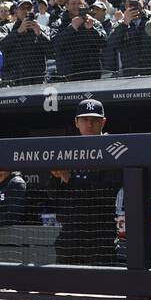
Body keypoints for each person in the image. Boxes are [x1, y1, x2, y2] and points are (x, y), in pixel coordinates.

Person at [40, 99, 122, 266]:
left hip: (99, 235)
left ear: (103, 122)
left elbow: (104, 193)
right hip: (70, 233)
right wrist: (57, 178)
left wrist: (70, 179)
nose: (89, 124)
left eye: (94, 120)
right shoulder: (69, 149)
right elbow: (52, 194)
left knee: (101, 289)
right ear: (76, 122)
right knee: (64, 286)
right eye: (85, 120)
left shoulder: (114, 148)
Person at [102, 0, 151, 76]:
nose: (133, 2)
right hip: (130, 73)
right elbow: (112, 44)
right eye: (129, 1)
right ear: (125, 4)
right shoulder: (120, 22)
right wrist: (125, 23)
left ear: (143, 1)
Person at [0, 0, 52, 84]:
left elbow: (51, 52)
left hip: (36, 79)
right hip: (13, 79)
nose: (26, 11)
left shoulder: (43, 28)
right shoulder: (7, 28)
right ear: (16, 10)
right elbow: (1, 46)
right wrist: (18, 31)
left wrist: (39, 34)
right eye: (22, 8)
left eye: (29, 8)